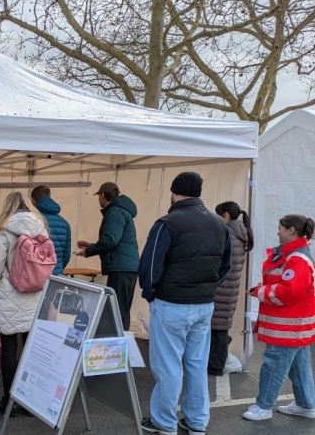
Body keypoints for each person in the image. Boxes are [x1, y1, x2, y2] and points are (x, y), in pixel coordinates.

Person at [138, 172, 231, 435]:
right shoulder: (218, 223)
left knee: (168, 366)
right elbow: (226, 266)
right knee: (196, 365)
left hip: (172, 303)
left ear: (174, 191)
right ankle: (196, 421)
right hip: (203, 304)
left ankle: (164, 422)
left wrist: (151, 292)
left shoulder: (167, 223)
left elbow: (149, 265)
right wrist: (209, 287)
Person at [242, 214, 315, 422]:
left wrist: (260, 292)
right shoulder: (293, 255)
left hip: (288, 324)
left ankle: (263, 407)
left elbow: (289, 292)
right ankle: (306, 404)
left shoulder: (297, 258)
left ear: (291, 230)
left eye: (280, 228)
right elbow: (282, 281)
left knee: (273, 365)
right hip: (294, 324)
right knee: (299, 367)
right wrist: (262, 288)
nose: (277, 232)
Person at [0, 192, 52, 415]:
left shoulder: (5, 231)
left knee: (8, 349)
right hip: (35, 294)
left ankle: (9, 401)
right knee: (31, 349)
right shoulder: (41, 228)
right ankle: (31, 399)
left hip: (10, 294)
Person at [76, 182, 139, 331]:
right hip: (126, 267)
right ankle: (119, 345)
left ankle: (119, 347)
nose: (98, 199)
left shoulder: (115, 212)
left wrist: (88, 251)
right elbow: (115, 241)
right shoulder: (121, 211)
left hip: (121, 269)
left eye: (98, 195)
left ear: (103, 195)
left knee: (117, 311)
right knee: (120, 310)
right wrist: (91, 245)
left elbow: (110, 240)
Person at [209, 202, 253, 376]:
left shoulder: (229, 234)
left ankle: (215, 366)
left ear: (226, 215)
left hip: (221, 288)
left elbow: (220, 263)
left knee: (217, 330)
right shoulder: (241, 231)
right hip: (230, 289)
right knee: (220, 328)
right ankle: (216, 363)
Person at [31, 185, 71, 275]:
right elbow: (66, 256)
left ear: (32, 201)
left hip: (36, 274)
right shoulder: (65, 223)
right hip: (56, 274)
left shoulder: (32, 221)